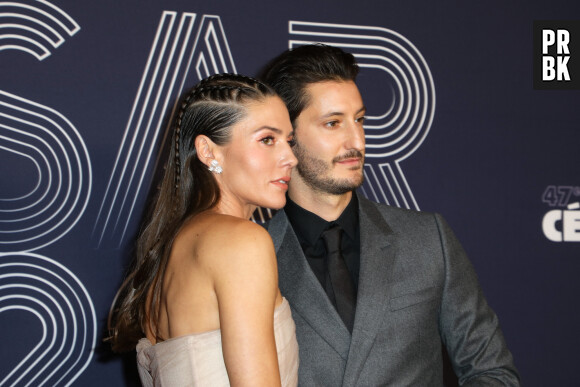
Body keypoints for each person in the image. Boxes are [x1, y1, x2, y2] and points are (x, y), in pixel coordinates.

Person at [260, 44, 520, 386]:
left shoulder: (428, 239)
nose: (356, 140)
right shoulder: (254, 259)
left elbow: (492, 372)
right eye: (333, 123)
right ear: (286, 138)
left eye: (359, 120)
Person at [107, 73, 299, 386]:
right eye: (267, 139)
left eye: (289, 141)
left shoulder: (171, 247)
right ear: (209, 152)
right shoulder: (242, 242)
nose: (290, 157)